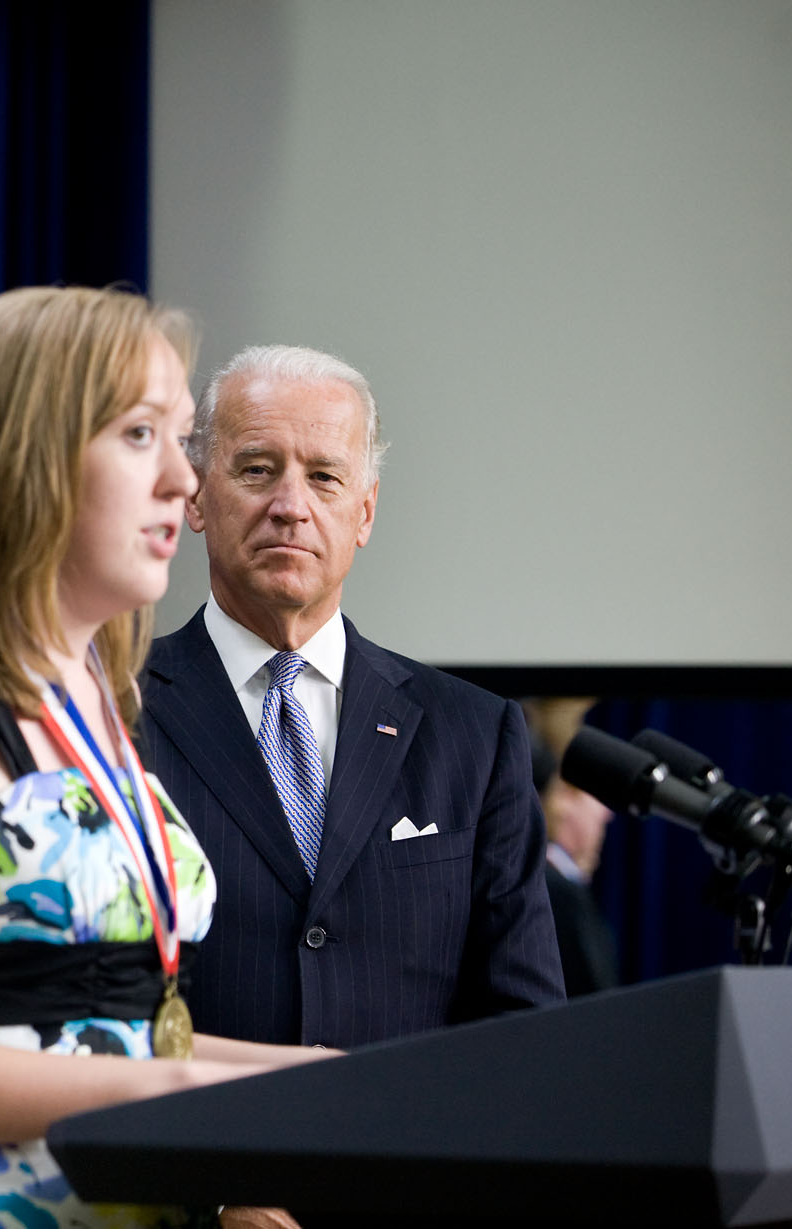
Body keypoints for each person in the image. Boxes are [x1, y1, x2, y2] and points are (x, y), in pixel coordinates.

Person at [0, 287, 326, 1229]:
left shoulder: (99, 693)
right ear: (22, 454)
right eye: (140, 435)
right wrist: (191, 1094)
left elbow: (117, 1033)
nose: (183, 479)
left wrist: (343, 1083)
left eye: (182, 438)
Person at [138, 345, 564, 1051]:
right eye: (257, 469)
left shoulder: (475, 734)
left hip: (407, 1127)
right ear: (197, 498)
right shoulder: (111, 708)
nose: (290, 507)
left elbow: (524, 1026)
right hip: (184, 1121)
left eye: (324, 477)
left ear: (364, 513)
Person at [533, 725, 619, 996]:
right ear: (563, 799)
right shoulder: (558, 893)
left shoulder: (553, 884)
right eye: (597, 796)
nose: (606, 813)